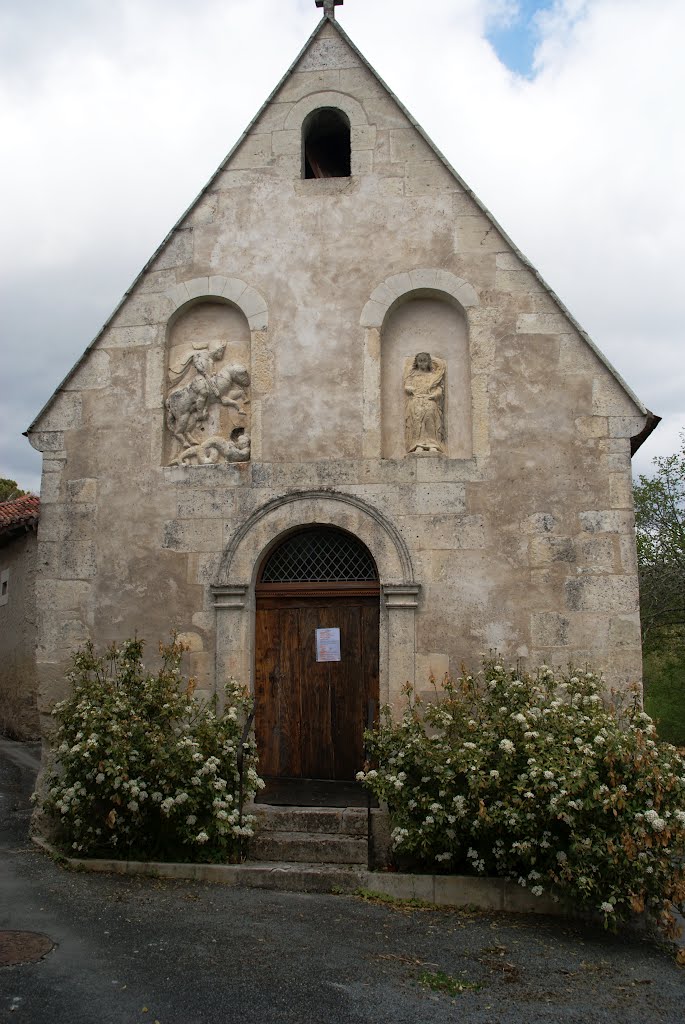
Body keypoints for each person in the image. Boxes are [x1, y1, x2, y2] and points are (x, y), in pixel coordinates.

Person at [403, 352, 446, 453]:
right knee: (417, 423)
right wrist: (409, 388)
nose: (422, 364)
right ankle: (417, 444)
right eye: (420, 361)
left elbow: (439, 389)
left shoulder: (433, 376)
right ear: (417, 363)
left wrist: (435, 395)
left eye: (425, 361)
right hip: (416, 401)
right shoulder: (412, 375)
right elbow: (407, 385)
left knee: (430, 422)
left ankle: (433, 444)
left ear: (429, 362)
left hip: (429, 401)